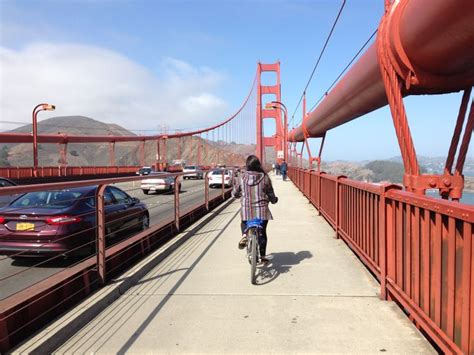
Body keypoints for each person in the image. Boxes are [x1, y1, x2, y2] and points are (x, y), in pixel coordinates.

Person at [232, 155, 278, 263]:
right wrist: (274, 200)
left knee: (244, 222)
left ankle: (244, 235)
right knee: (263, 233)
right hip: (262, 211)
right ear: (258, 165)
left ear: (247, 165)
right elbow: (270, 193)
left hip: (247, 210)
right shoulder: (265, 177)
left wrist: (235, 195)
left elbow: (235, 192)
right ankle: (262, 256)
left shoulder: (242, 177)